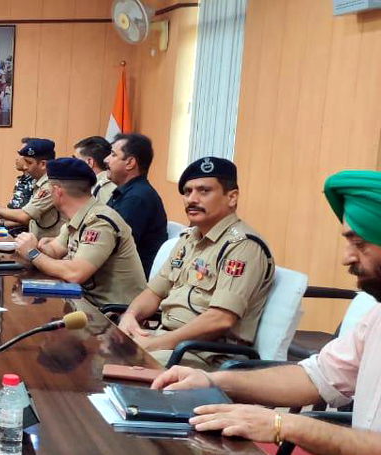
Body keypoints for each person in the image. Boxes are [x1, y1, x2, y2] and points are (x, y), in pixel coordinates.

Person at [151, 170, 381, 454]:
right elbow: (317, 377)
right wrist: (212, 380)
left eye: (359, 242)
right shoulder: (376, 317)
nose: (346, 256)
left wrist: (286, 425)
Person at [117, 157, 275, 368]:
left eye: (204, 191)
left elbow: (220, 320)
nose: (192, 199)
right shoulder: (189, 239)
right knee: (102, 347)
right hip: (168, 341)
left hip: (205, 355)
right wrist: (130, 316)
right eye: (187, 192)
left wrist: (155, 344)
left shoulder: (242, 246)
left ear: (232, 198)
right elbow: (154, 292)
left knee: (117, 363)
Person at [13, 158, 145, 307]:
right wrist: (36, 246)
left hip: (113, 314)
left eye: (49, 188)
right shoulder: (79, 215)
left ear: (57, 191)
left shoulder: (99, 222)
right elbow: (55, 251)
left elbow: (75, 273)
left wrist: (32, 253)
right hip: (84, 303)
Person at [104, 133, 169, 276]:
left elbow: (109, 246)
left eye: (113, 155)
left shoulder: (137, 198)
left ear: (130, 163)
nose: (106, 159)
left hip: (127, 284)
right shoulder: (127, 192)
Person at [0, 138, 62, 238]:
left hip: (49, 246)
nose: (25, 167)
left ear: (43, 164)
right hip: (38, 242)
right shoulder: (38, 182)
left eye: (29, 163)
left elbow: (25, 216)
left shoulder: (49, 186)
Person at [74, 136, 116, 204]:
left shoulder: (104, 189)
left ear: (89, 162)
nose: (72, 164)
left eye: (75, 160)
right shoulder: (94, 185)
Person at [7, 138, 36, 209]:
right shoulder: (22, 180)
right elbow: (12, 208)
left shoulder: (37, 182)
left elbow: (25, 215)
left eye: (20, 154)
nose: (17, 158)